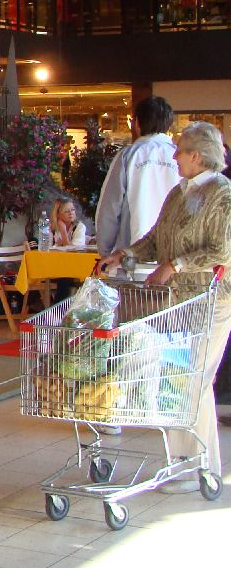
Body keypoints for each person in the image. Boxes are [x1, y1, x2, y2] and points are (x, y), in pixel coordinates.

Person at [100, 121, 231, 493]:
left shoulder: (223, 194)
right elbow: (156, 238)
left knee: (192, 381)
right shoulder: (178, 192)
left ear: (197, 156)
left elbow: (222, 251)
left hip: (212, 300)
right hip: (179, 303)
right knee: (184, 379)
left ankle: (191, 468)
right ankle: (196, 466)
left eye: (180, 150)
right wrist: (123, 253)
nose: (174, 156)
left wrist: (175, 265)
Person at [95, 96, 180, 256]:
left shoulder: (128, 156)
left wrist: (105, 250)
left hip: (131, 251)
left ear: (137, 123)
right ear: (169, 124)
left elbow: (110, 207)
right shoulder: (179, 155)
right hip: (173, 252)